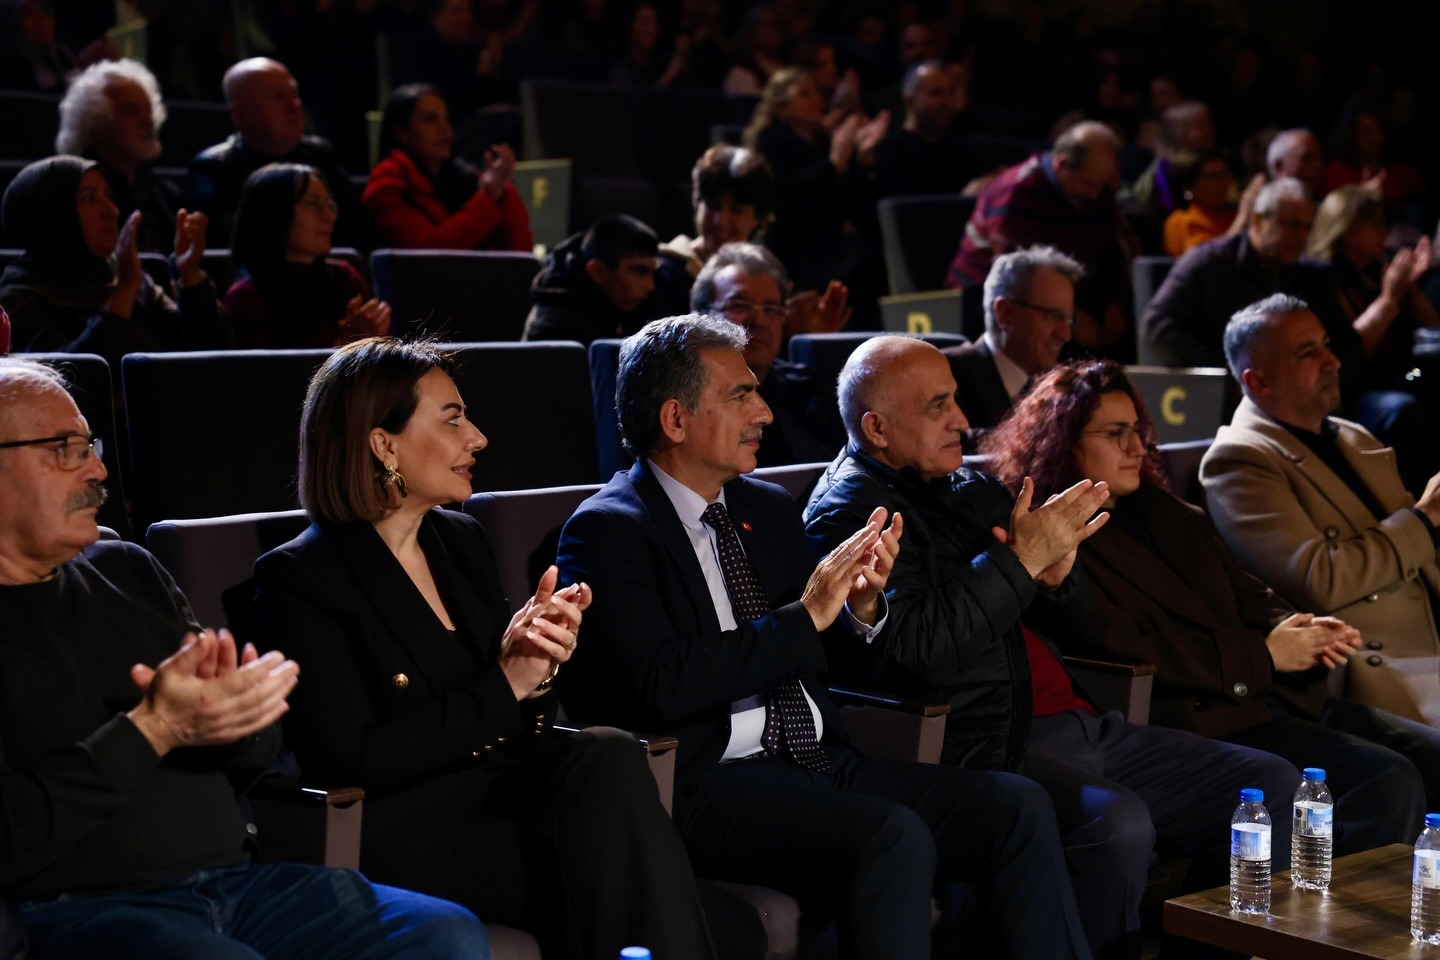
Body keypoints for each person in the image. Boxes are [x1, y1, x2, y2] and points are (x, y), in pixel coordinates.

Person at [556, 314, 1093, 960]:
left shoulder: (766, 509)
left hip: (818, 760)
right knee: (892, 835)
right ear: (675, 419)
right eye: (741, 395)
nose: (764, 413)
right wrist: (806, 614)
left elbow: (828, 660)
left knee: (1018, 807)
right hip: (708, 784)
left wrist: (862, 610)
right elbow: (660, 684)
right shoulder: (608, 530)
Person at [804, 336, 1301, 960]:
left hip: (1080, 721)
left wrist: (1060, 580)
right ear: (876, 428)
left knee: (1270, 784)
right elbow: (918, 652)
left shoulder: (964, 486)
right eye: (937, 406)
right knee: (1117, 824)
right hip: (987, 744)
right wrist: (1018, 563)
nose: (962, 420)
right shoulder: (851, 513)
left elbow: (1082, 622)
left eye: (956, 399)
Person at [0, 356, 491, 960]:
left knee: (444, 933)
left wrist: (238, 719)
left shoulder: (129, 570)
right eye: (66, 450)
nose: (97, 469)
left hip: (239, 885)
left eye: (90, 447)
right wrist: (152, 729)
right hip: (81, 907)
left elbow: (260, 759)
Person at [251, 338, 714, 960]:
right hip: (406, 830)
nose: (478, 438)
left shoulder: (460, 540)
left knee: (606, 753)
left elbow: (521, 722)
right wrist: (506, 680)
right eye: (452, 420)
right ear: (384, 444)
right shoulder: (301, 577)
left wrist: (537, 663)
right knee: (627, 867)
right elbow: (354, 759)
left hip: (505, 799)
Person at [984, 355, 1437, 835]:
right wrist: (1263, 655)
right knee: (1387, 779)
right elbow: (1122, 648)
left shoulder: (1170, 512)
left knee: (1428, 754)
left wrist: (1297, 629)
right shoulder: (1053, 540)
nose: (1137, 446)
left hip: (1263, 692)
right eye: (1116, 433)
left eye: (1138, 430)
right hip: (1199, 713)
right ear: (1063, 442)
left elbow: (1249, 594)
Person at [1202, 294, 1440, 747]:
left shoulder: (1353, 436)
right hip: (1376, 666)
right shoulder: (1239, 459)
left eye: (1326, 344)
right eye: (1307, 353)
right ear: (1259, 380)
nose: (1333, 361)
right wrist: (1425, 519)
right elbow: (1318, 580)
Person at [0, 156, 226, 371]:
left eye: (108, 196)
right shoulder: (19, 297)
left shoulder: (121, 273)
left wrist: (190, 272)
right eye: (90, 198)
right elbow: (71, 379)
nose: (112, 211)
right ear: (53, 214)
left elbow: (200, 350)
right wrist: (125, 290)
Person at [945, 120, 1131, 357]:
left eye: (1100, 185)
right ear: (1062, 164)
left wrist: (1114, 304)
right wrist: (1071, 318)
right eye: (1088, 183)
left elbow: (1110, 253)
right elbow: (1018, 273)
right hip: (988, 294)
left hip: (1064, 291)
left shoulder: (1097, 192)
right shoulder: (1018, 190)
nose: (1095, 195)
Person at [1307, 186, 1437, 491]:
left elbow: (1433, 329)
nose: (1385, 232)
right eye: (1375, 224)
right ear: (1347, 227)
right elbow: (1348, 355)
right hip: (1348, 391)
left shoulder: (1378, 270)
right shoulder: (1322, 277)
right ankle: (1401, 501)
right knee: (1401, 408)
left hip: (1400, 375)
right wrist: (1389, 299)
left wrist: (1411, 291)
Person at [743, 67, 889, 318]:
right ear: (781, 106)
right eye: (804, 94)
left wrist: (864, 161)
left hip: (831, 240)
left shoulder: (823, 141)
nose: (816, 100)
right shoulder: (772, 142)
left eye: (816, 94)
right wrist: (833, 165)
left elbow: (855, 201)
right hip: (795, 244)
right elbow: (787, 201)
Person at [188, 57, 368, 250]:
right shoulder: (216, 168)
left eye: (294, 95)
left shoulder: (321, 155)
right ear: (240, 116)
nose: (294, 106)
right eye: (277, 97)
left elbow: (359, 231)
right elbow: (234, 243)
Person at [690, 243, 844, 465]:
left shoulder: (804, 391)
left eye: (771, 309)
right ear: (700, 317)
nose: (758, 320)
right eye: (739, 305)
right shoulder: (688, 402)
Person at [227, 163, 391, 349]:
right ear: (273, 212)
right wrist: (348, 343)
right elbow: (269, 367)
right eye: (313, 204)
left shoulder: (344, 276)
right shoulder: (247, 297)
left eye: (329, 204)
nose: (329, 216)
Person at [363, 84, 531, 253]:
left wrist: (502, 191)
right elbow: (428, 254)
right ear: (402, 133)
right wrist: (487, 198)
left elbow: (521, 251)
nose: (446, 130)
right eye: (430, 120)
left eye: (446, 119)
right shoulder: (386, 185)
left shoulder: (466, 176)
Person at [942, 245, 1079, 443]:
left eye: (1069, 319)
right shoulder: (947, 376)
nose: (1065, 334)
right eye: (1053, 316)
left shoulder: (1061, 388)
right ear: (1005, 313)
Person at [55, 58, 182, 253]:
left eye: (149, 109)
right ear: (93, 126)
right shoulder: (77, 197)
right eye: (131, 111)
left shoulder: (166, 195)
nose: (148, 121)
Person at [655, 145, 776, 318]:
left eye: (736, 210)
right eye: (713, 206)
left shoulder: (766, 280)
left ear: (757, 218)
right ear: (696, 205)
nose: (720, 221)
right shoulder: (665, 273)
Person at [522, 214, 659, 345]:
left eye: (652, 271)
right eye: (640, 271)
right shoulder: (554, 330)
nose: (650, 286)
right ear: (598, 271)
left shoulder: (625, 304)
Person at [872, 60, 979, 199]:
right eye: (936, 93)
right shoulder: (892, 150)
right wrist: (963, 197)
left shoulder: (957, 151)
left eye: (950, 93)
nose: (947, 101)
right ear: (909, 100)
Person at [1161, 150, 1241, 257]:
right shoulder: (1180, 221)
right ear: (1189, 187)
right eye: (1212, 176)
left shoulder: (1233, 214)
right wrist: (1243, 218)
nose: (1224, 182)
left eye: (1224, 174)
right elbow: (1207, 260)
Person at [1265, 128, 1325, 199]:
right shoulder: (1262, 204)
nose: (1317, 165)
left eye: (1318, 158)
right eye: (1307, 158)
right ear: (1279, 166)